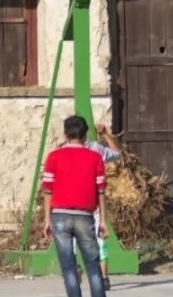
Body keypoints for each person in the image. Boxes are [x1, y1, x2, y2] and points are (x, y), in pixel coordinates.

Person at [41, 115, 108, 297]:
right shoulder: (95, 158)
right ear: (86, 135)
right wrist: (103, 221)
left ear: (65, 134)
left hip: (59, 216)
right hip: (85, 217)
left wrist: (47, 220)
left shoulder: (53, 157)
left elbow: (48, 190)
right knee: (93, 267)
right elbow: (101, 191)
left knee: (68, 267)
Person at [76, 123, 121, 291]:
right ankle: (103, 278)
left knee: (71, 240)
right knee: (100, 240)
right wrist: (105, 134)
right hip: (92, 202)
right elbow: (117, 154)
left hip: (71, 205)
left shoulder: (63, 151)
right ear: (86, 134)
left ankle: (74, 270)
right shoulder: (95, 149)